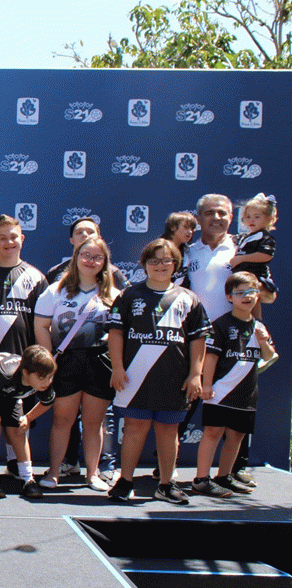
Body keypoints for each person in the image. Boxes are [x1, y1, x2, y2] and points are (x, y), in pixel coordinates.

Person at [107, 239, 210, 504]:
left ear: (176, 264)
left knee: (168, 430)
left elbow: (198, 340)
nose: (160, 265)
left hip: (174, 378)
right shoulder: (129, 295)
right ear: (144, 264)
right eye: (154, 260)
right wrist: (117, 367)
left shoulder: (189, 298)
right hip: (135, 377)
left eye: (166, 260)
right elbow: (116, 333)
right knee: (134, 428)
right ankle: (125, 481)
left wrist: (196, 374)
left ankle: (166, 484)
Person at [183, 193, 275, 486]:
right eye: (210, 213)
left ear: (231, 217)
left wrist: (258, 326)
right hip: (194, 341)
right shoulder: (188, 251)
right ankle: (165, 468)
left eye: (223, 213)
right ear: (198, 219)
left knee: (236, 409)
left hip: (235, 341)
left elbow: (266, 293)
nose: (217, 218)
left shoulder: (244, 248)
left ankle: (235, 469)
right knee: (182, 406)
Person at [34, 236, 119, 491]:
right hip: (67, 362)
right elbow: (41, 325)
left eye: (97, 257)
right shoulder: (55, 290)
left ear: (104, 262)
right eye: (86, 255)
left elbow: (119, 335)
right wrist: (49, 361)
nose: (90, 261)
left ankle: (92, 475)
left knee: (94, 424)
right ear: (75, 258)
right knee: (62, 421)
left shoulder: (114, 295)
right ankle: (54, 472)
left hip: (100, 362)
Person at [192, 272, 277, 497]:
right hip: (220, 391)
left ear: (258, 295)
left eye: (251, 292)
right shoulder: (221, 324)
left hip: (246, 393)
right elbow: (210, 357)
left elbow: (268, 355)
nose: (247, 297)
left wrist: (263, 341)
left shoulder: (259, 326)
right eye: (240, 293)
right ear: (230, 297)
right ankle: (201, 479)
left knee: (237, 435)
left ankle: (224, 476)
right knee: (212, 432)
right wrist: (207, 384)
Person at [0, 214, 48, 479]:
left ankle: (15, 464)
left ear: (22, 238)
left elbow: (42, 324)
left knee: (17, 420)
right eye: (3, 238)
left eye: (14, 236)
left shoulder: (36, 277)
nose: (9, 242)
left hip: (22, 361)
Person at [0, 345, 56, 499]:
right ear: (25, 373)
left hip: (12, 394)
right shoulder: (6, 375)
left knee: (18, 430)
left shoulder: (45, 382)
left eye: (50, 377)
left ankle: (28, 479)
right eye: (42, 378)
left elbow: (47, 402)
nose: (47, 382)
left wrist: (28, 418)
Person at [230, 193, 277, 316]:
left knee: (253, 301)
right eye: (248, 216)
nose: (251, 220)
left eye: (257, 217)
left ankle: (256, 325)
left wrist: (240, 259)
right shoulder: (246, 237)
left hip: (257, 277)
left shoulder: (265, 236)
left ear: (268, 219)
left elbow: (266, 255)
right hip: (242, 278)